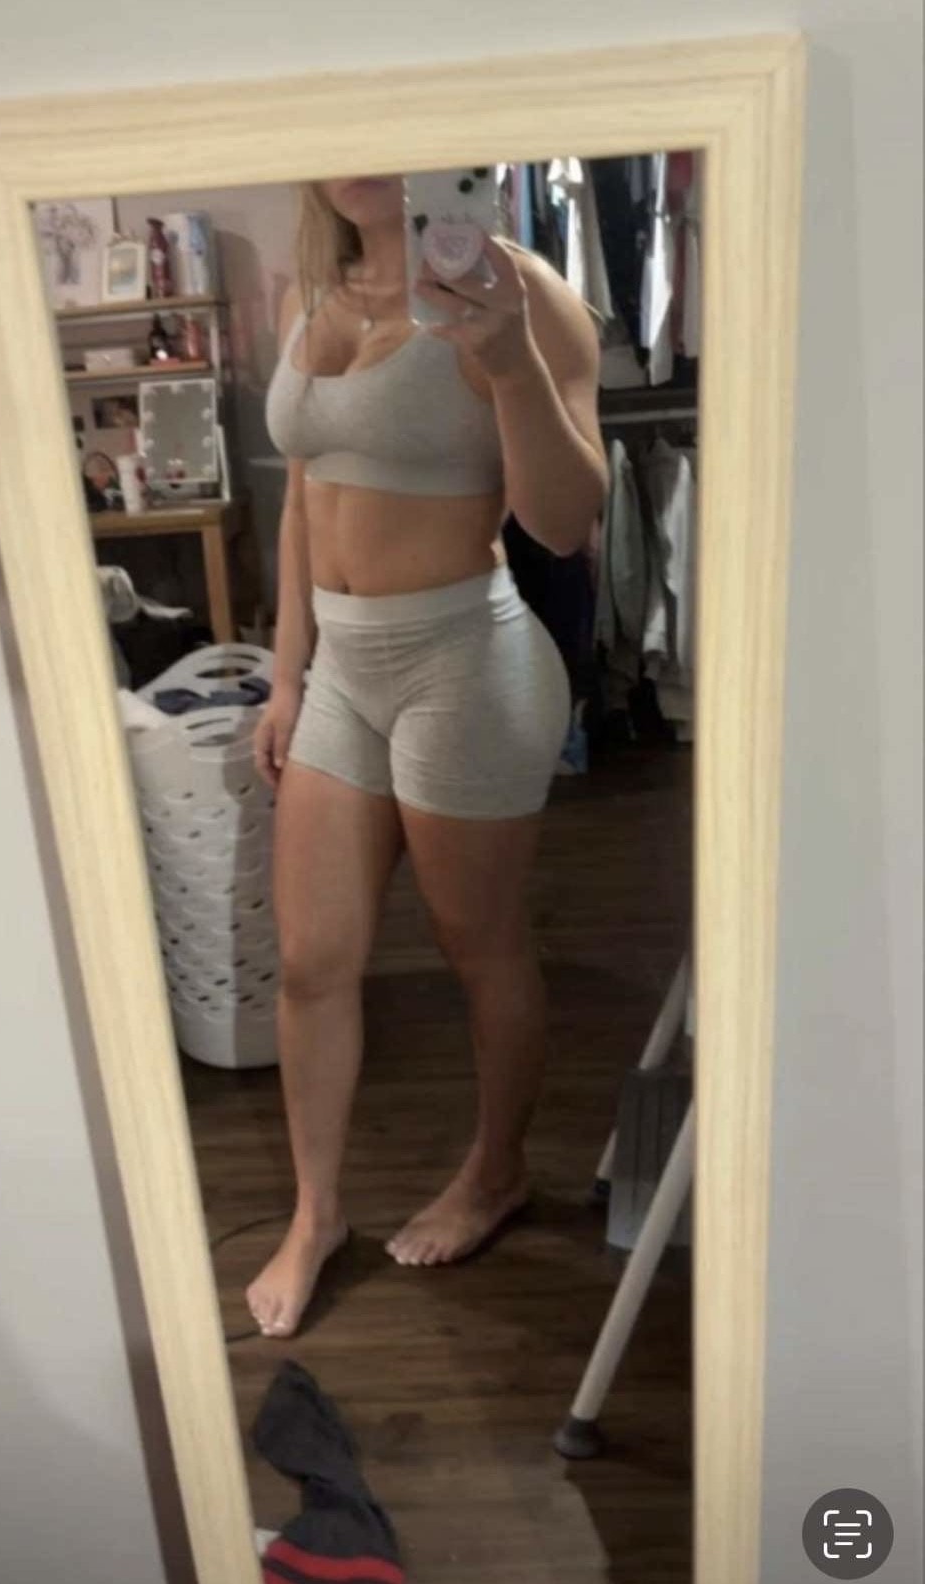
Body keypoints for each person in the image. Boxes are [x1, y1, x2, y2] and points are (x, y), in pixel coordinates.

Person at [248, 175, 607, 1338]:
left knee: (478, 944)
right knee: (311, 959)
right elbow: (303, 495)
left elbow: (567, 522)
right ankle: (317, 1213)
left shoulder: (523, 290)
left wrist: (507, 359)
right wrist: (287, 675)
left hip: (465, 656)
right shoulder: (311, 290)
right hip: (340, 667)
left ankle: (497, 1172)